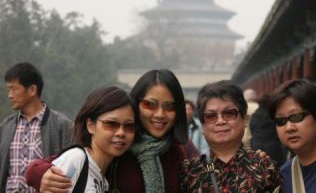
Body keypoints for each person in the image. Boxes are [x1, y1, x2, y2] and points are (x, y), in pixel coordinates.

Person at [26, 69, 188, 193]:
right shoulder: (119, 145)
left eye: (170, 106)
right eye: (150, 105)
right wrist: (44, 176)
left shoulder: (175, 152)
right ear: (136, 104)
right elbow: (40, 167)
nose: (160, 114)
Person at [180, 80, 282, 192]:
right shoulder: (190, 171)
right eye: (211, 116)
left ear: (244, 119)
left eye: (229, 113)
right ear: (202, 125)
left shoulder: (264, 168)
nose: (220, 121)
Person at [29, 86, 136, 192]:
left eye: (129, 126)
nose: (121, 132)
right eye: (111, 124)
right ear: (91, 125)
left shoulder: (104, 180)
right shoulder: (75, 161)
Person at [0, 62, 73, 192]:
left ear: (32, 90)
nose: (10, 95)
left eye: (14, 89)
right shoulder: (6, 127)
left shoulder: (62, 126)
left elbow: (72, 169)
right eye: (8, 89)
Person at [250, 93, 285, 166]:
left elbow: (252, 129)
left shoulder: (255, 115)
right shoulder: (272, 114)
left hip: (257, 146)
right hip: (273, 147)